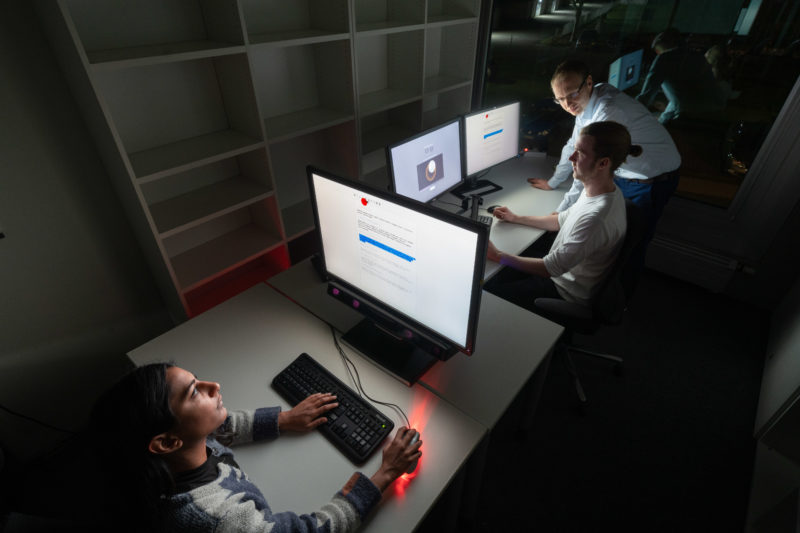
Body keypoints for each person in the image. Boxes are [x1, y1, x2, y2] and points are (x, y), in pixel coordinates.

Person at [88, 363, 422, 533]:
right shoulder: (222, 518)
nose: (213, 386)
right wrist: (385, 474)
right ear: (166, 442)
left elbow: (223, 427)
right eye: (194, 393)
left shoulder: (165, 454)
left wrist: (285, 419)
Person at [486, 121, 639, 310]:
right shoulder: (602, 190)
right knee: (501, 267)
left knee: (486, 290)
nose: (571, 158)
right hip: (561, 270)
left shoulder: (597, 218)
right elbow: (560, 220)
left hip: (563, 289)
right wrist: (516, 218)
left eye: (580, 153)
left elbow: (549, 268)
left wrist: (498, 255)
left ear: (603, 163)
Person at [528, 59, 680, 249]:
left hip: (650, 180)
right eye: (560, 99)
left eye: (572, 94)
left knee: (629, 245)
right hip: (624, 174)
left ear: (589, 82)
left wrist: (561, 211)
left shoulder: (608, 112)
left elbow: (585, 166)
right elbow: (572, 145)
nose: (567, 104)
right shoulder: (588, 100)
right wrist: (553, 182)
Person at [636, 28, 724, 124]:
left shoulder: (665, 58)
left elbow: (646, 96)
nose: (657, 54)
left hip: (689, 117)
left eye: (658, 51)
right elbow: (686, 88)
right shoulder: (696, 55)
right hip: (713, 112)